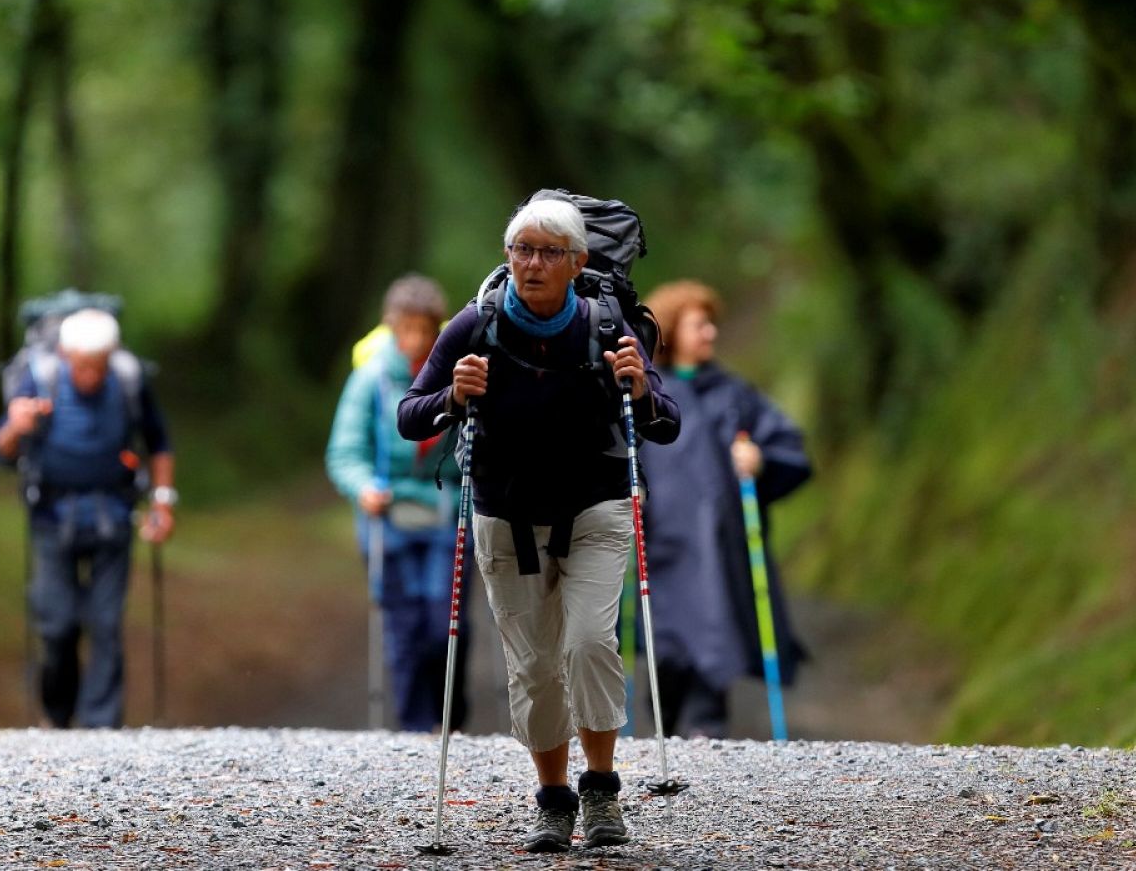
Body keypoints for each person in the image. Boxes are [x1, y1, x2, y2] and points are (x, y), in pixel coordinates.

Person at [398, 197, 680, 853]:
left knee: (587, 644)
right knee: (533, 669)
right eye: (522, 249)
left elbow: (666, 422)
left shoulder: (608, 325)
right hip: (507, 515)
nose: (531, 263)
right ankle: (552, 799)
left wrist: (639, 389)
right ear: (507, 256)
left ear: (578, 263)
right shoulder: (476, 325)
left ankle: (601, 790)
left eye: (549, 252)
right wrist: (452, 396)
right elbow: (411, 415)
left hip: (596, 506)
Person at [638, 280, 811, 738]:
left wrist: (761, 459)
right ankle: (668, 719)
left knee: (714, 637)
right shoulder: (644, 396)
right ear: (671, 330)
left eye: (711, 323)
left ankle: (705, 732)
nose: (710, 332)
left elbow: (788, 449)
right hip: (663, 546)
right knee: (669, 651)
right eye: (699, 324)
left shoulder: (734, 394)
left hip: (719, 545)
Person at [0, 307, 175, 729]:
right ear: (64, 354)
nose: (90, 376)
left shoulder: (129, 380)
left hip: (114, 516)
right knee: (56, 625)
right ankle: (57, 715)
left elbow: (159, 442)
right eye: (82, 366)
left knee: (107, 624)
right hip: (52, 519)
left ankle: (102, 727)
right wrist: (15, 427)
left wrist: (162, 502)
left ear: (111, 357)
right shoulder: (40, 377)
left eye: (99, 366)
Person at [325, 275, 469, 733]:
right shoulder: (372, 378)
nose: (414, 341)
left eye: (423, 330)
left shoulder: (456, 374)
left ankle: (450, 714)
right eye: (405, 329)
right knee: (404, 624)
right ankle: (415, 723)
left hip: (445, 510)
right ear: (391, 326)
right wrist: (363, 485)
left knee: (442, 618)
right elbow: (345, 451)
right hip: (387, 516)